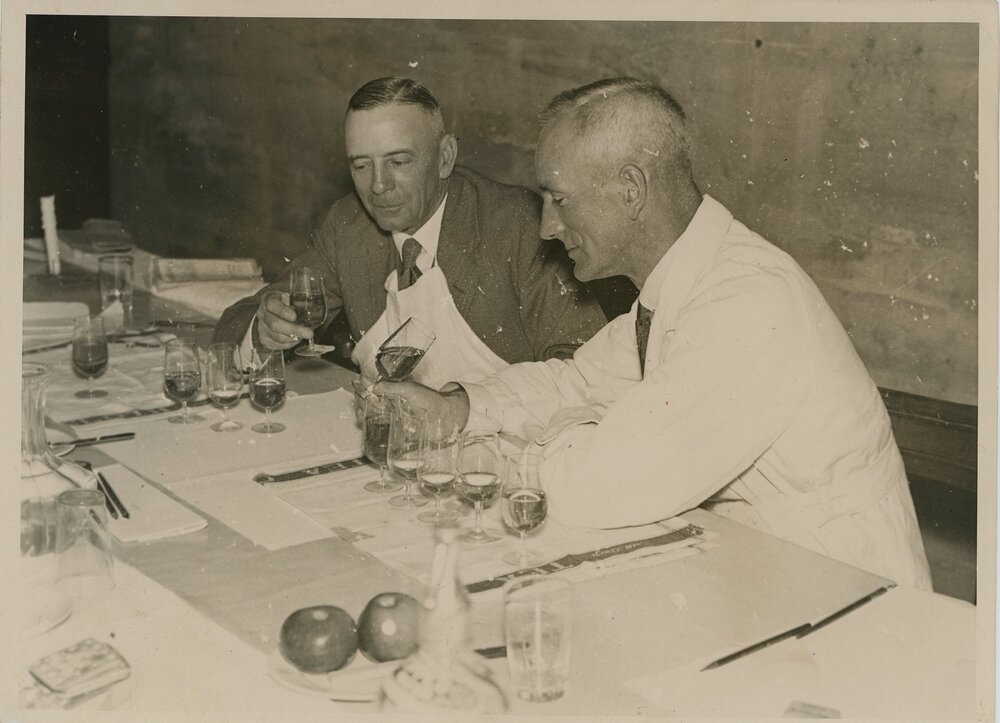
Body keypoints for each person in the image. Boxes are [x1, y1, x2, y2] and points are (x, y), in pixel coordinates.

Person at [380, 77, 933, 590]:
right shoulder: (682, 283)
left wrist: (501, 453)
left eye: (558, 199)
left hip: (842, 589)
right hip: (760, 568)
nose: (547, 227)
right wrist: (459, 409)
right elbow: (578, 382)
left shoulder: (747, 300)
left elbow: (605, 484)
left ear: (630, 189)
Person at [214, 77, 606, 389]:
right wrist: (264, 331)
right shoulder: (348, 227)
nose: (378, 186)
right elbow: (242, 317)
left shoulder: (517, 225)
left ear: (445, 157)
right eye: (361, 166)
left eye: (398, 161)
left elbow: (588, 369)